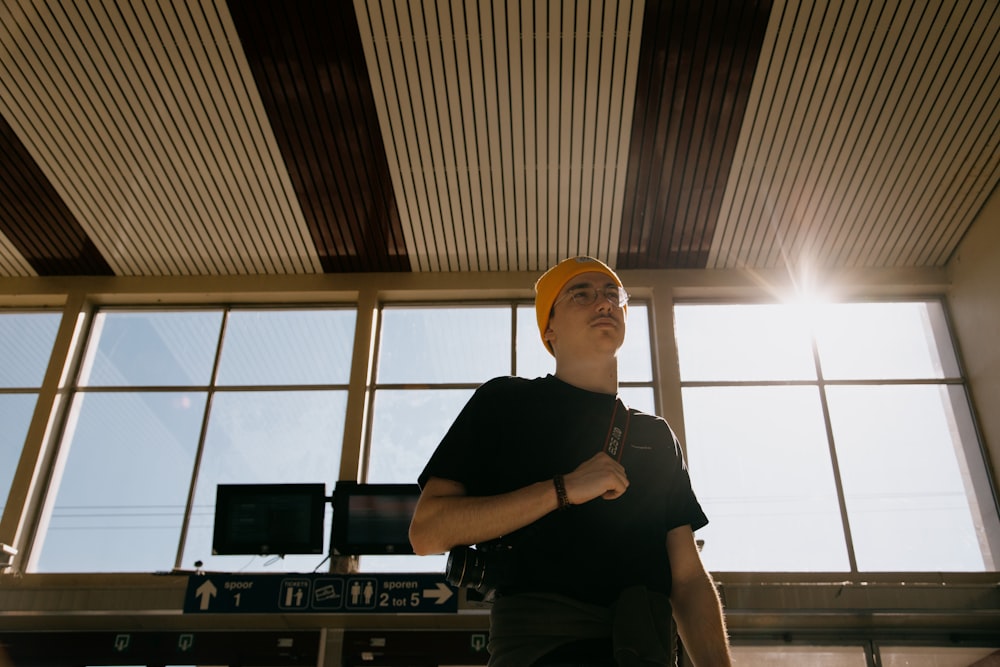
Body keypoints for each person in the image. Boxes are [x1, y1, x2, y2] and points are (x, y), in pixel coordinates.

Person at [409, 256, 731, 667]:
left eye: (613, 295)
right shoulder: (506, 403)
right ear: (549, 328)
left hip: (645, 649)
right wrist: (562, 489)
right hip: (540, 651)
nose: (603, 303)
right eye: (582, 294)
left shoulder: (655, 435)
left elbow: (686, 577)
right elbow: (427, 532)